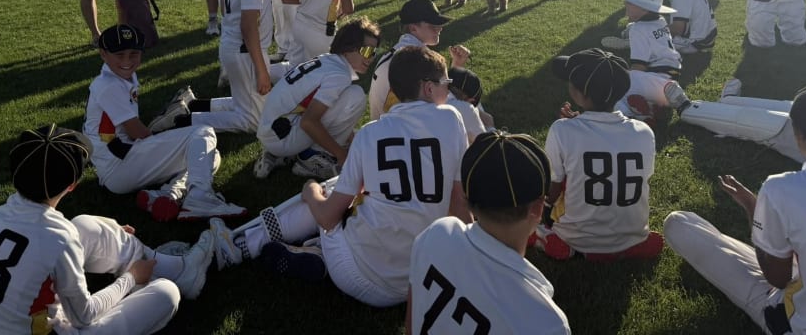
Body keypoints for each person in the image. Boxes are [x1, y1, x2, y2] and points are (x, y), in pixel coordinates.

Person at [217, 46, 471, 308]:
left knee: (328, 193)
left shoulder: (370, 134)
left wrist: (311, 192)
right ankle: (313, 251)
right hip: (419, 282)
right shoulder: (452, 121)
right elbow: (459, 203)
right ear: (428, 88)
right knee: (361, 197)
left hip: (356, 274)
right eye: (446, 83)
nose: (448, 89)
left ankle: (244, 245)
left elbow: (327, 217)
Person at [0, 124, 216, 335]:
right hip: (46, 326)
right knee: (166, 293)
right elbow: (83, 316)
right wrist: (131, 278)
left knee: (84, 225)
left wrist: (108, 231)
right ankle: (167, 272)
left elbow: (47, 241)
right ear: (72, 184)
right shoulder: (58, 236)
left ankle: (176, 267)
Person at [664, 83, 806, 334]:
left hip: (802, 324)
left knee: (678, 224)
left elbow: (777, 278)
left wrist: (752, 210)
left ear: (798, 133)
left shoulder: (782, 189)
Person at [407, 132, 571, 335]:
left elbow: (411, 327)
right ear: (537, 210)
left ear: (467, 199)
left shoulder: (435, 234)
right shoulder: (547, 322)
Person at [82, 24, 246, 222]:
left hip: (119, 163)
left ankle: (168, 195)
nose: (127, 60)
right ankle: (201, 198)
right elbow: (137, 132)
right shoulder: (109, 85)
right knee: (203, 133)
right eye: (120, 54)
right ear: (103, 54)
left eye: (133, 53)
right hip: (120, 163)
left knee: (209, 155)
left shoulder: (116, 77)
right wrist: (165, 138)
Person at [150, 0, 288, 135]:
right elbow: (248, 26)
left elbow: (225, 8)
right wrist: (262, 70)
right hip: (246, 50)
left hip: (231, 44)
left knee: (245, 99)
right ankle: (183, 121)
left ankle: (192, 106)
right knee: (253, 120)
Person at [534, 48, 664, 262]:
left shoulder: (562, 129)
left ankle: (563, 244)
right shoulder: (643, 131)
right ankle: (631, 244)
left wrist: (545, 209)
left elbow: (554, 185)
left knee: (524, 218)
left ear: (579, 93)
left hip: (577, 235)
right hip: (632, 233)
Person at [253, 17, 379, 180]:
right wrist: (341, 155)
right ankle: (310, 159)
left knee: (351, 120)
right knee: (356, 96)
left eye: (373, 53)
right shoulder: (339, 74)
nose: (370, 58)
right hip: (283, 136)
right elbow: (309, 121)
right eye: (367, 51)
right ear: (348, 48)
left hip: (273, 130)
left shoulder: (328, 60)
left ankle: (281, 154)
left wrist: (348, 134)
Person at [604, 0, 691, 120]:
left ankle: (635, 116)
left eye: (629, 3)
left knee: (614, 85)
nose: (625, 5)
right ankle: (652, 106)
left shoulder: (638, 30)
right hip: (671, 77)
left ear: (644, 9)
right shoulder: (660, 21)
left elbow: (639, 66)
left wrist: (628, 77)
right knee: (628, 86)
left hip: (657, 81)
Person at [368, 0, 452, 120]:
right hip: (400, 130)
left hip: (382, 126)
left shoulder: (395, 52)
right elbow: (442, 97)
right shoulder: (418, 58)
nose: (440, 28)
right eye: (433, 25)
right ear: (413, 28)